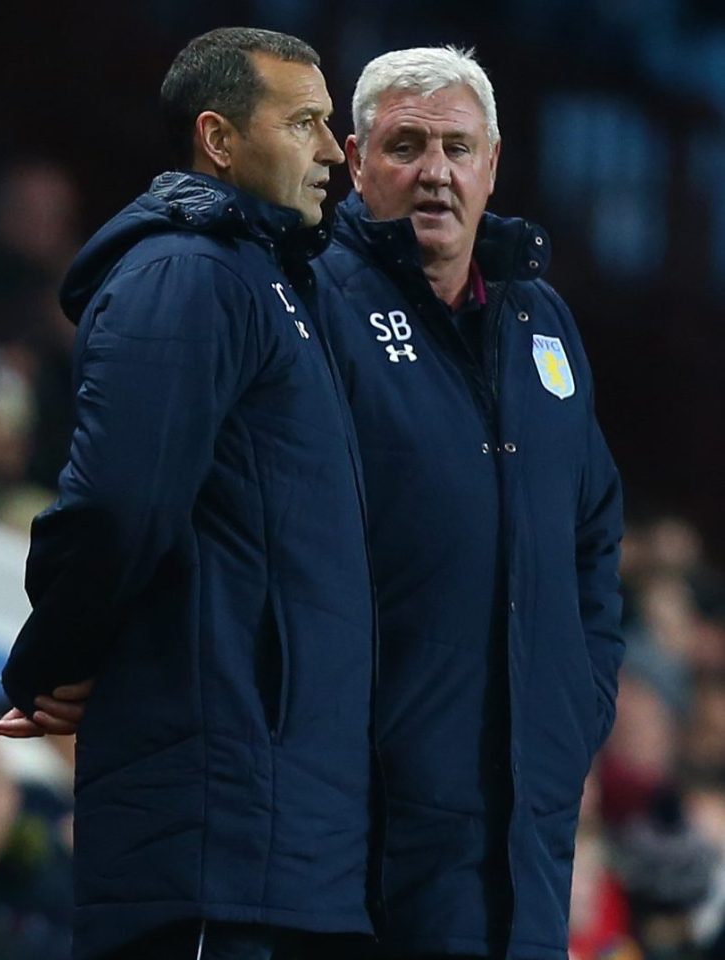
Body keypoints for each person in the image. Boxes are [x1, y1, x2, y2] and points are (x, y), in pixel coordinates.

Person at [0, 27, 378, 960]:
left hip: (276, 833)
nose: (334, 151)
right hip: (212, 825)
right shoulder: (188, 274)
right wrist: (55, 660)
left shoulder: (269, 281)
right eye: (307, 124)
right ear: (219, 137)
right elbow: (121, 502)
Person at [311, 46, 625, 959]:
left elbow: (594, 531)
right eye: (406, 145)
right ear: (355, 159)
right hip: (369, 811)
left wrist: (578, 701)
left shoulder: (541, 318)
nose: (435, 172)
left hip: (528, 809)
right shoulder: (313, 302)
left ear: (493, 164)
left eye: (458, 147)